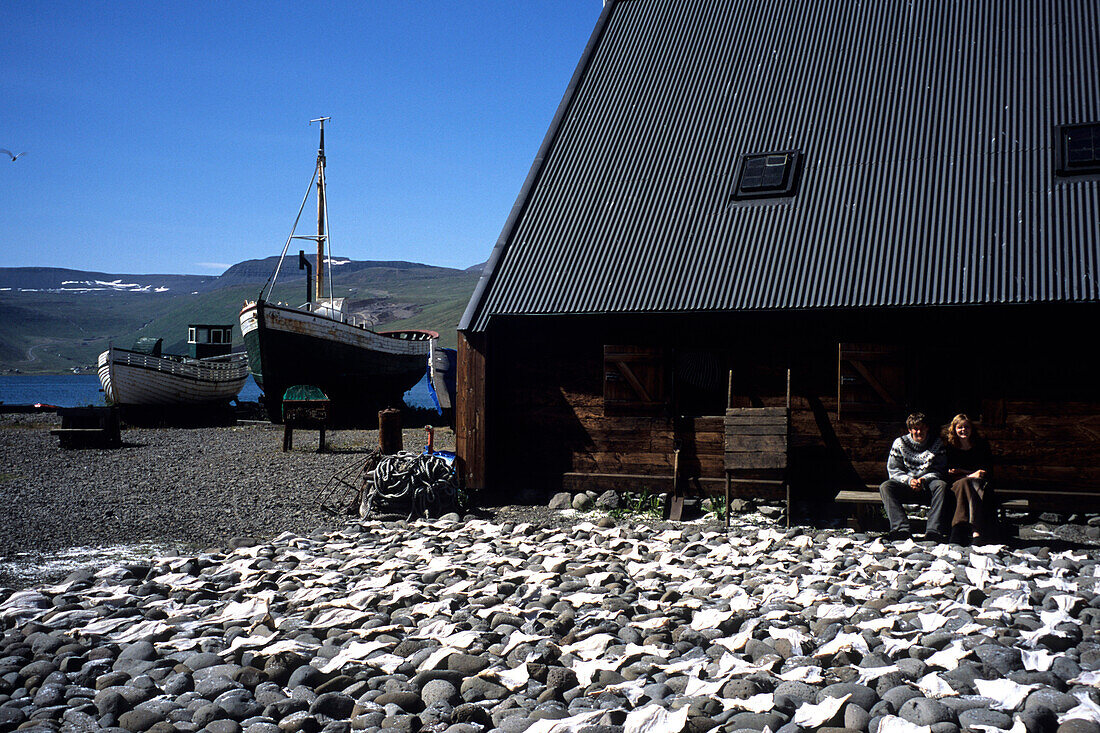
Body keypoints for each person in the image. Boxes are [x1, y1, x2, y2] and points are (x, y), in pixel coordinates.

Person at [879, 412, 950, 541]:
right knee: (886, 487)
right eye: (915, 429)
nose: (919, 432)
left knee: (942, 485)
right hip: (906, 485)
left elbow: (940, 470)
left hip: (928, 485)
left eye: (922, 428)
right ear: (910, 430)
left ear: (927, 428)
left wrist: (923, 479)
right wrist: (909, 480)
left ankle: (934, 531)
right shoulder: (900, 443)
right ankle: (901, 529)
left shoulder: (936, 443)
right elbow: (894, 470)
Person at [944, 414, 994, 544]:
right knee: (964, 483)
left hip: (978, 484)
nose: (963, 430)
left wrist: (962, 473)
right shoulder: (950, 447)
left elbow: (984, 471)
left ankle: (958, 529)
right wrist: (970, 474)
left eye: (966, 427)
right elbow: (948, 471)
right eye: (959, 427)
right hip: (957, 484)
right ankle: (975, 531)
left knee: (969, 484)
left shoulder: (980, 445)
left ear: (971, 429)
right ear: (954, 429)